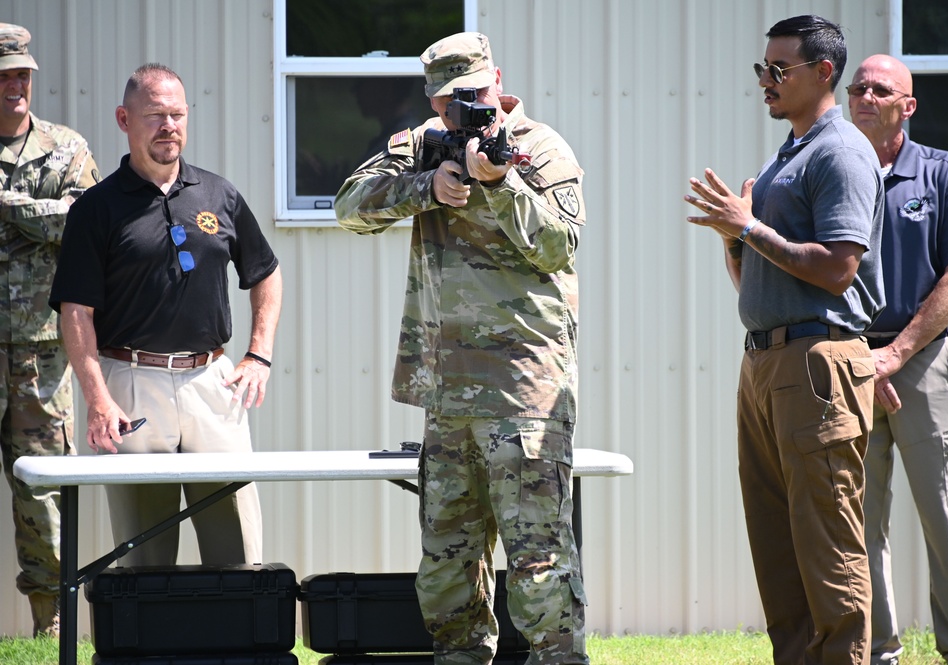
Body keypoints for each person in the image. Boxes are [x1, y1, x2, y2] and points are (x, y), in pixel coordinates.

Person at [335, 32, 588, 665]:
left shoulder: (540, 148)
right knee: (447, 562)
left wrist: (498, 184)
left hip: (523, 393)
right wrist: (427, 187)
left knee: (537, 561)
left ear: (498, 82)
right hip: (448, 393)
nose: (469, 112)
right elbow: (348, 207)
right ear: (433, 100)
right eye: (452, 102)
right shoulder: (422, 144)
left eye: (477, 95)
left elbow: (559, 245)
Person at [684, 15, 885, 665]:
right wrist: (733, 241)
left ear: (823, 72)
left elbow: (835, 268)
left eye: (780, 70)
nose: (765, 81)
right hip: (767, 362)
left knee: (827, 550)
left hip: (817, 364)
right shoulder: (787, 157)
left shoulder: (840, 151)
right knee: (777, 551)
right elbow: (760, 278)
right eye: (760, 69)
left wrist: (749, 225)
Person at [49, 63, 282, 568]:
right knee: (145, 554)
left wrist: (258, 355)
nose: (168, 127)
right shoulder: (96, 208)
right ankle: (151, 649)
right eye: (154, 115)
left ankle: (240, 647)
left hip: (212, 383)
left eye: (177, 115)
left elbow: (265, 273)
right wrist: (98, 399)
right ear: (123, 119)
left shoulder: (219, 195)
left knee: (237, 549)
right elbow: (76, 312)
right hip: (130, 386)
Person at [847, 54, 948, 665]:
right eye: (857, 86)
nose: (863, 96)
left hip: (922, 361)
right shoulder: (830, 168)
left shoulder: (941, 172)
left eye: (879, 89)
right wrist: (862, 359)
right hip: (847, 361)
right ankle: (878, 652)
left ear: (906, 106)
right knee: (858, 521)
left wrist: (896, 353)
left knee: (947, 512)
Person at [0, 22, 100, 637]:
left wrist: (12, 209)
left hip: (40, 352)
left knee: (43, 493)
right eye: (5, 74)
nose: (16, 84)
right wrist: (44, 214)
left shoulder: (65, 148)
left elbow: (85, 221)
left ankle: (51, 624)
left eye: (22, 74)